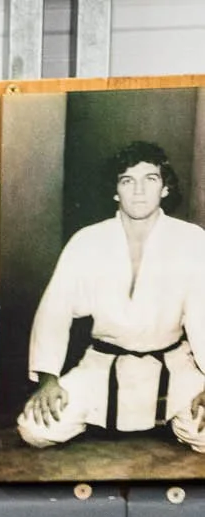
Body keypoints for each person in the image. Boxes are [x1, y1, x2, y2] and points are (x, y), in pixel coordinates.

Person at [17, 141, 205, 455]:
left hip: (173, 368)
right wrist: (48, 380)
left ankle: (174, 417)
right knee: (34, 429)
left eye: (151, 179)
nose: (140, 190)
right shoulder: (88, 241)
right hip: (103, 367)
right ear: (116, 191)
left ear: (165, 188)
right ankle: (98, 415)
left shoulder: (192, 241)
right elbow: (55, 310)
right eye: (127, 181)